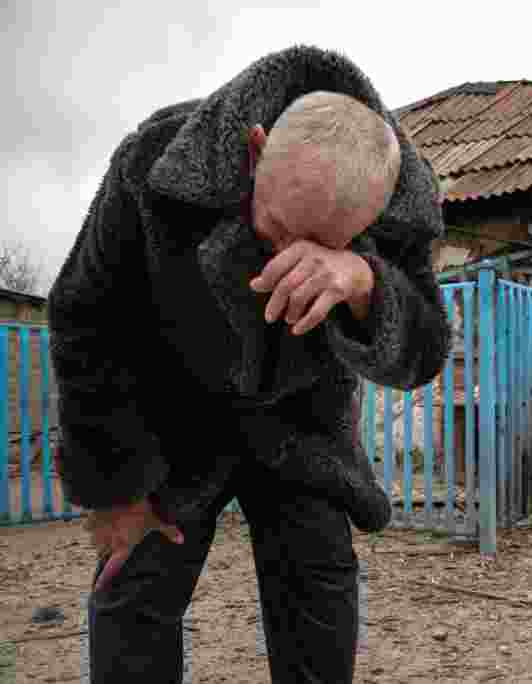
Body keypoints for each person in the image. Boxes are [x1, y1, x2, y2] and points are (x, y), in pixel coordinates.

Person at [49, 46, 451, 684]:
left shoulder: (402, 202)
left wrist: (367, 283)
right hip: (169, 412)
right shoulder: (155, 164)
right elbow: (85, 318)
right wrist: (112, 486)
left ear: (374, 217)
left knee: (319, 585)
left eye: (322, 243)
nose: (286, 258)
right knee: (134, 589)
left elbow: (426, 352)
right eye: (278, 228)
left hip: (303, 421)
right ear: (257, 150)